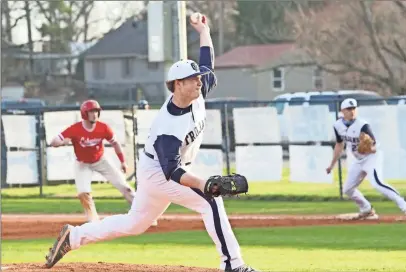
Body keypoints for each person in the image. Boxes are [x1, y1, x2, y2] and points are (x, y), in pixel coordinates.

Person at [44, 14, 258, 272]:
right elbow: (173, 171)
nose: (199, 81)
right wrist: (205, 184)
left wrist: (204, 31)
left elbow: (207, 61)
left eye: (198, 78)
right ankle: (233, 265)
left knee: (135, 223)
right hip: (161, 172)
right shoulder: (168, 125)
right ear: (178, 85)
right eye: (193, 78)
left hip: (156, 169)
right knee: (209, 199)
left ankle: (74, 237)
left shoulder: (197, 92)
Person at [50, 99, 157, 226]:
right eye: (91, 112)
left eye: (96, 111)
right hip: (82, 163)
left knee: (125, 187)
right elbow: (55, 140)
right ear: (85, 113)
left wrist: (123, 162)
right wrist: (60, 142)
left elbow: (115, 143)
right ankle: (93, 220)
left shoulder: (103, 127)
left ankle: (145, 215)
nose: (95, 114)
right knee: (83, 192)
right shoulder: (76, 129)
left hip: (100, 160)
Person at [326, 98, 406, 220]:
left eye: (354, 108)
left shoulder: (362, 125)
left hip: (371, 158)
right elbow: (339, 144)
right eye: (349, 109)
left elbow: (374, 147)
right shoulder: (337, 126)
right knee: (347, 189)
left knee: (377, 183)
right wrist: (331, 165)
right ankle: (366, 209)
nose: (352, 111)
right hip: (357, 160)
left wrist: (368, 148)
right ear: (342, 111)